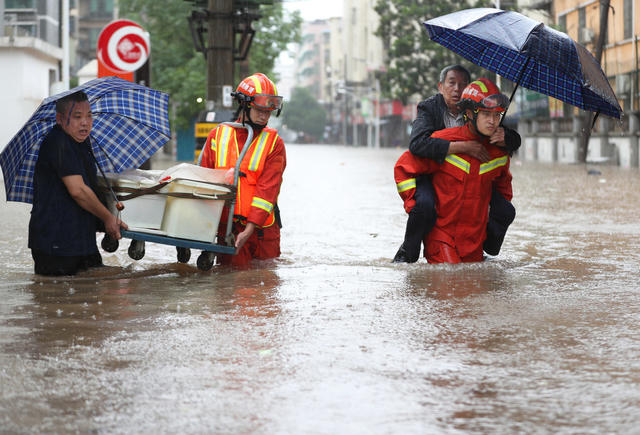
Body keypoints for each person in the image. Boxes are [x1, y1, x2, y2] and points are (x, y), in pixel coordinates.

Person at [393, 65, 520, 263]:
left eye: (497, 115)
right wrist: (460, 147)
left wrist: (509, 138)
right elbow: (415, 148)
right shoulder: (430, 109)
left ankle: (490, 245)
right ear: (441, 86)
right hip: (431, 170)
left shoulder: (496, 144)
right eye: (452, 83)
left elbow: (504, 182)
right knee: (424, 205)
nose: (492, 121)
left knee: (505, 210)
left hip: (471, 237)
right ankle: (408, 251)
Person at [28, 91, 127, 276]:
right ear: (59, 119)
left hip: (81, 240)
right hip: (56, 244)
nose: (85, 122)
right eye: (77, 116)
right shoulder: (58, 143)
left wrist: (109, 217)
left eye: (89, 115)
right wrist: (107, 218)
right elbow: (78, 190)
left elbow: (90, 185)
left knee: (105, 287)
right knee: (62, 296)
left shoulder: (83, 142)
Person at [200, 73, 286, 267]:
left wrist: (249, 229)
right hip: (227, 229)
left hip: (262, 231)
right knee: (229, 284)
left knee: (263, 285)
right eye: (259, 109)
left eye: (269, 111)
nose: (265, 115)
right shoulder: (218, 135)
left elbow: (268, 190)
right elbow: (203, 180)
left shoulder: (274, 143)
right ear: (245, 105)